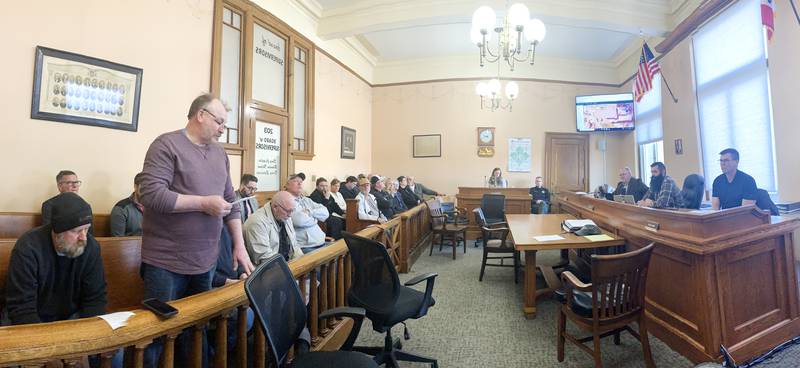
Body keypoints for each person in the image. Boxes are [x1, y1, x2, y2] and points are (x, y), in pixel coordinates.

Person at [138, 93, 254, 367]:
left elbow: (231, 203)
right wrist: (203, 203)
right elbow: (152, 195)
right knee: (159, 332)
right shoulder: (166, 144)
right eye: (220, 121)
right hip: (166, 263)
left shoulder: (219, 153)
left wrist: (239, 245)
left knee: (196, 331)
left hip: (205, 262)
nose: (223, 128)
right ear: (200, 115)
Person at [5, 192, 107, 325]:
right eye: (76, 231)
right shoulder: (28, 248)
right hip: (32, 318)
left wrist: (89, 337)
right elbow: (21, 308)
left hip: (72, 318)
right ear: (57, 231)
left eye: (86, 229)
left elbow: (95, 299)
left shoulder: (91, 247)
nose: (83, 237)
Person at [242, 191, 305, 265]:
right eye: (288, 211)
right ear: (275, 207)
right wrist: (290, 270)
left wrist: (302, 263)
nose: (290, 215)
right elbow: (264, 258)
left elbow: (294, 245)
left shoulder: (285, 216)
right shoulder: (256, 222)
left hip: (286, 264)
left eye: (292, 210)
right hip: (269, 270)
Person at [285, 174, 330, 250]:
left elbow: (326, 213)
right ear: (287, 185)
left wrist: (309, 212)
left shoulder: (306, 200)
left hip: (321, 241)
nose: (300, 183)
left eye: (301, 181)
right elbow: (300, 221)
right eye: (296, 181)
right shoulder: (285, 200)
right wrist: (316, 219)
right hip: (305, 246)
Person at [110, 172, 145, 236]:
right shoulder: (121, 208)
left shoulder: (156, 207)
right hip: (131, 245)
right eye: (144, 186)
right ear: (135, 186)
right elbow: (118, 242)